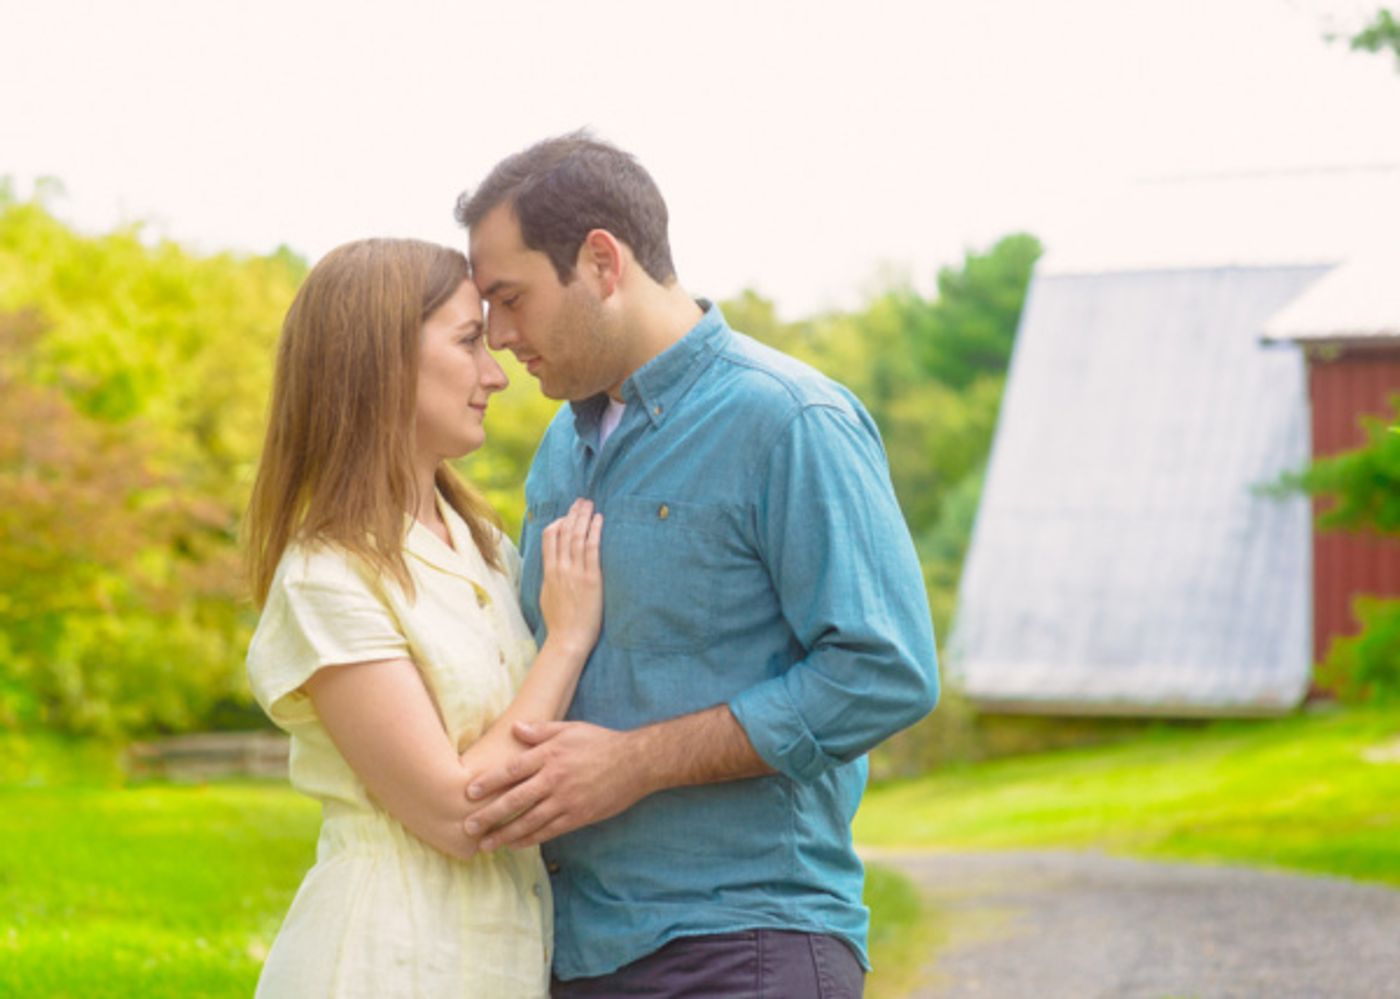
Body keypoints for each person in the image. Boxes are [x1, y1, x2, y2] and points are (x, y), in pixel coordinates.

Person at [455, 133, 940, 997]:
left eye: (511, 298)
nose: (497, 336)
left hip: (743, 945)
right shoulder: (558, 456)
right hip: (570, 950)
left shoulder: (790, 421)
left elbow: (886, 669)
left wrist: (635, 761)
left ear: (602, 261)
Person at [241, 237, 604, 998]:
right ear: (382, 361)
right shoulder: (326, 576)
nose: (496, 372)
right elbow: (452, 812)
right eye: (470, 340)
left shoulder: (485, 546)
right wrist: (566, 640)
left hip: (500, 959)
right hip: (383, 961)